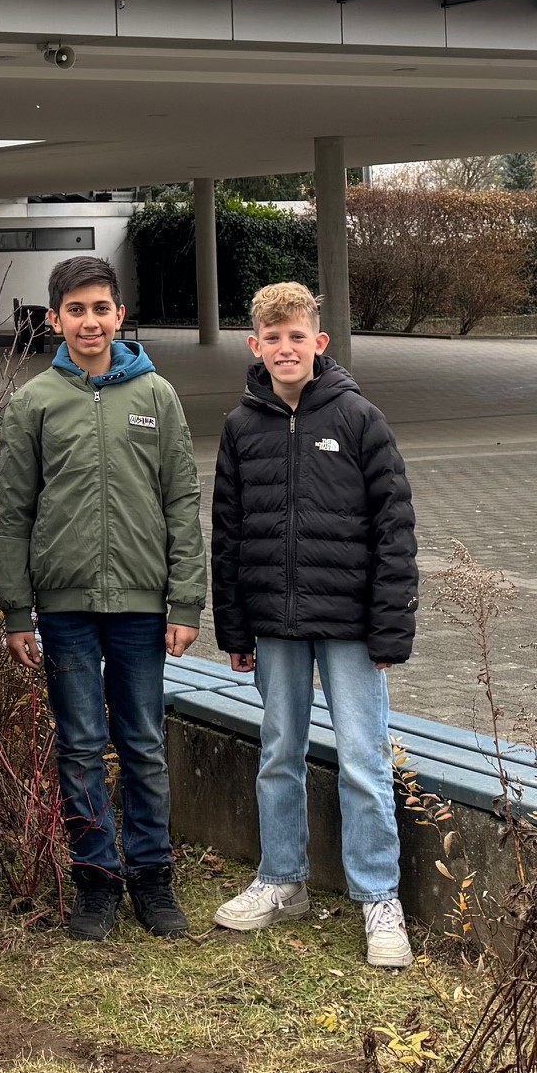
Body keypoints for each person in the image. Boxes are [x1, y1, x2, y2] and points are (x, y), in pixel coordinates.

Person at [0, 255, 205, 943]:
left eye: (101, 308)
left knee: (142, 742)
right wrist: (15, 610)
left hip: (142, 606)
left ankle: (151, 874)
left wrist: (185, 602)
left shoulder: (157, 396)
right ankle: (95, 878)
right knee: (80, 744)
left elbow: (181, 501)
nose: (90, 321)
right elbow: (14, 513)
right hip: (64, 608)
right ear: (54, 320)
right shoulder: (34, 403)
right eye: (75, 310)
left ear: (119, 315)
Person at [210, 281, 418, 968]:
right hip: (274, 624)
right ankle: (281, 878)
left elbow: (394, 528)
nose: (285, 348)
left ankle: (379, 897)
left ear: (318, 342)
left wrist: (391, 629)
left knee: (362, 759)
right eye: (272, 338)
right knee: (278, 752)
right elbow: (227, 534)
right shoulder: (241, 428)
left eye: (296, 336)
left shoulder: (359, 418)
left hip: (352, 627)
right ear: (255, 346)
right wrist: (234, 628)